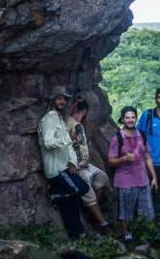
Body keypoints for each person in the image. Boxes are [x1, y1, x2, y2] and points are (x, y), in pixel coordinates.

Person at [38, 86, 90, 239]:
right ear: (53, 99)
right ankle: (55, 195)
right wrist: (69, 138)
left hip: (65, 167)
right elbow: (48, 142)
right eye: (59, 98)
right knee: (82, 188)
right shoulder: (49, 118)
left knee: (71, 202)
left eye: (64, 99)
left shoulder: (59, 118)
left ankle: (77, 234)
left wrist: (73, 161)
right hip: (57, 170)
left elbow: (68, 146)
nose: (62, 101)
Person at [108, 106, 158, 242]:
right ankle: (127, 235)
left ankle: (148, 235)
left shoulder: (141, 134)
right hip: (125, 180)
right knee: (126, 210)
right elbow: (111, 160)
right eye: (127, 117)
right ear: (123, 119)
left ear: (136, 118)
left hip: (142, 178)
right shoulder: (117, 138)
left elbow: (147, 156)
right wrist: (123, 159)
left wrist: (153, 177)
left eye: (133, 117)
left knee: (147, 208)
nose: (130, 120)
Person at [65, 97, 110, 231]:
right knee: (88, 189)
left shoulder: (78, 124)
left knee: (101, 177)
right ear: (84, 111)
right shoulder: (70, 123)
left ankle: (91, 212)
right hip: (76, 166)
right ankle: (102, 224)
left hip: (85, 164)